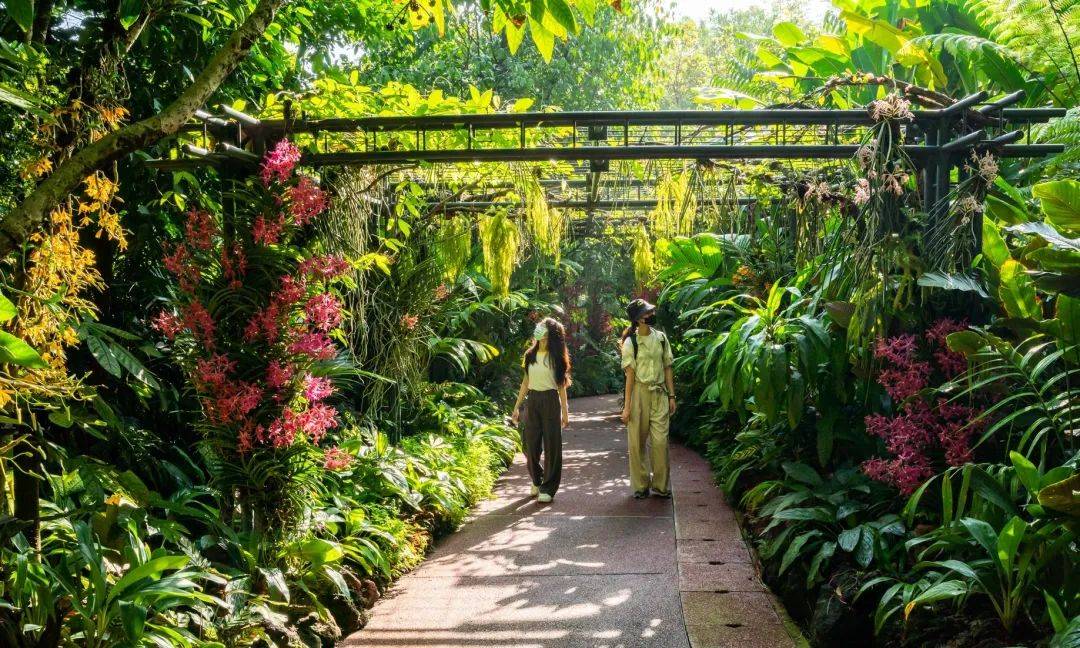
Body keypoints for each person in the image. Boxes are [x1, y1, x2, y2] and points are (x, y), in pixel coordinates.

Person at [510, 317, 572, 503]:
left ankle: (548, 488)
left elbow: (561, 387)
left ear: (550, 334)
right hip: (533, 400)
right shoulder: (530, 355)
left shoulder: (556, 358)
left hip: (551, 400)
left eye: (544, 328)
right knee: (529, 444)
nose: (539, 330)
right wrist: (516, 407)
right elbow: (525, 382)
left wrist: (565, 413)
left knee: (553, 446)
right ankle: (536, 479)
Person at [620, 298, 676, 499]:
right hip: (639, 394)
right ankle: (641, 486)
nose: (651, 315)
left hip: (660, 393)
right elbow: (630, 377)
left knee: (660, 441)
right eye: (647, 313)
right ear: (639, 320)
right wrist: (627, 408)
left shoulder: (661, 338)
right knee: (637, 442)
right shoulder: (630, 343)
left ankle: (661, 486)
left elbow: (668, 367)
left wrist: (672, 395)